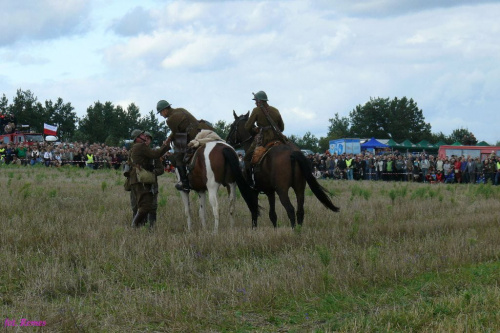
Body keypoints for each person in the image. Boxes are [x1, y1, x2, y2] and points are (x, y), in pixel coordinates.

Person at [156, 100, 212, 192]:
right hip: (202, 130)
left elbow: (176, 133)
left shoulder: (170, 120)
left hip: (190, 135)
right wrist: (169, 138)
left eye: (161, 113)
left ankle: (185, 183)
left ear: (165, 110)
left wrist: (169, 140)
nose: (161, 115)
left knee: (178, 157)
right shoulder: (180, 109)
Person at [128, 129, 171, 228]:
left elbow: (159, 168)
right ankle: (134, 225)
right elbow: (156, 154)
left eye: (147, 137)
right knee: (146, 205)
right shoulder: (141, 146)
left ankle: (140, 226)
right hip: (142, 180)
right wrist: (165, 145)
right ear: (138, 138)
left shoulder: (134, 148)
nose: (145, 137)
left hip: (138, 179)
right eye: (143, 135)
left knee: (144, 205)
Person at [243, 91, 285, 187]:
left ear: (259, 101)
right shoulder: (276, 110)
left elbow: (247, 127)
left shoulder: (256, 110)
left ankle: (250, 182)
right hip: (277, 137)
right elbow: (282, 128)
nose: (255, 103)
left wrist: (255, 131)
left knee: (247, 157)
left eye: (256, 101)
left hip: (264, 138)